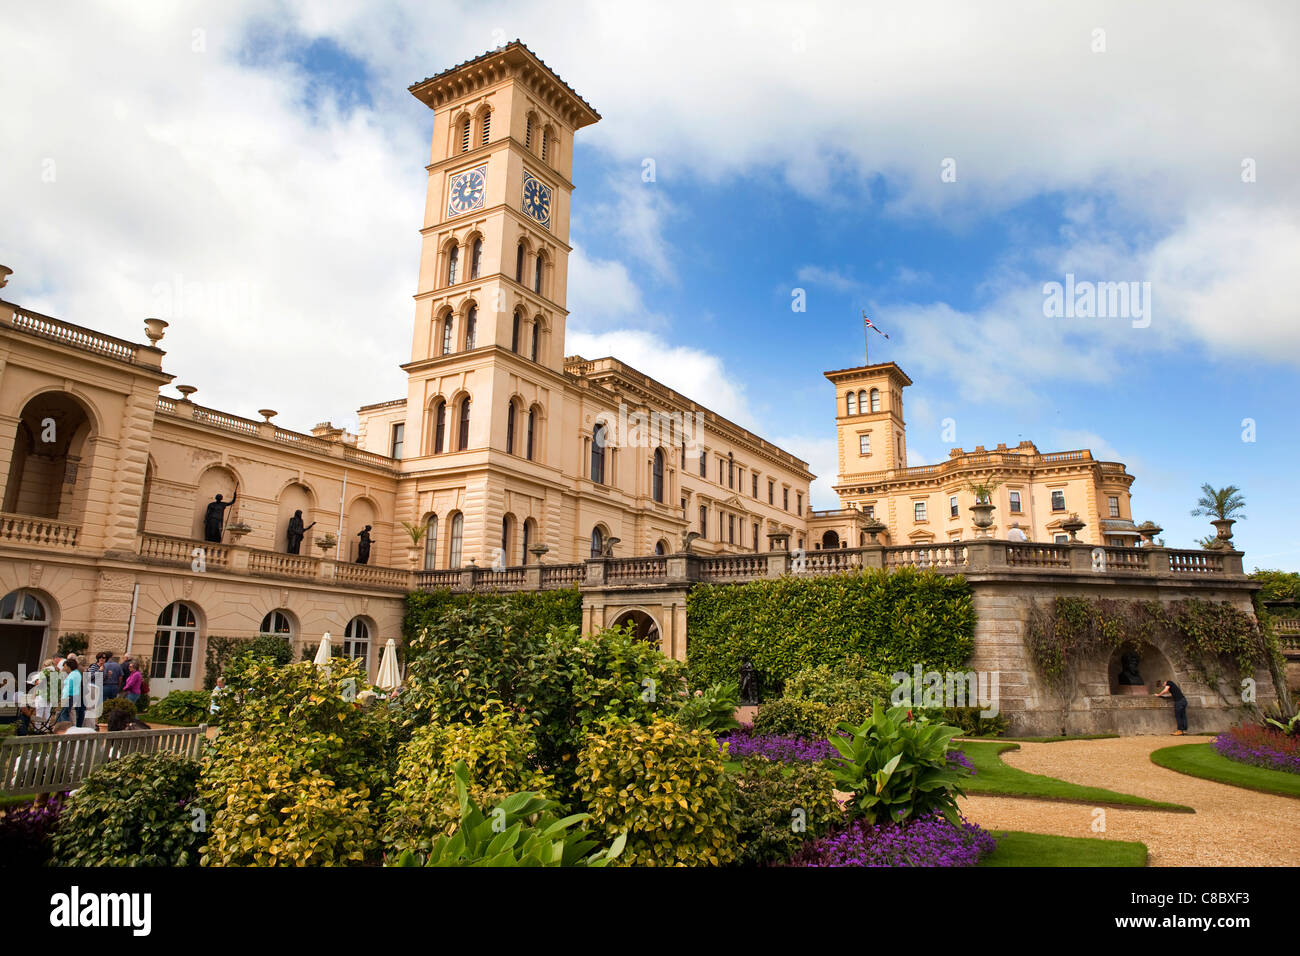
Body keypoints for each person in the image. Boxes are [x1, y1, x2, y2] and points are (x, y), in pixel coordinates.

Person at [57, 657, 85, 728]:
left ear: (69, 667)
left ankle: (66, 728)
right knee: (68, 713)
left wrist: (64, 697)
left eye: (65, 666)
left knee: (64, 713)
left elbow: (69, 687)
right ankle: (67, 727)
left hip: (70, 696)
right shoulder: (76, 673)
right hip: (74, 696)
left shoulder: (73, 674)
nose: (64, 668)